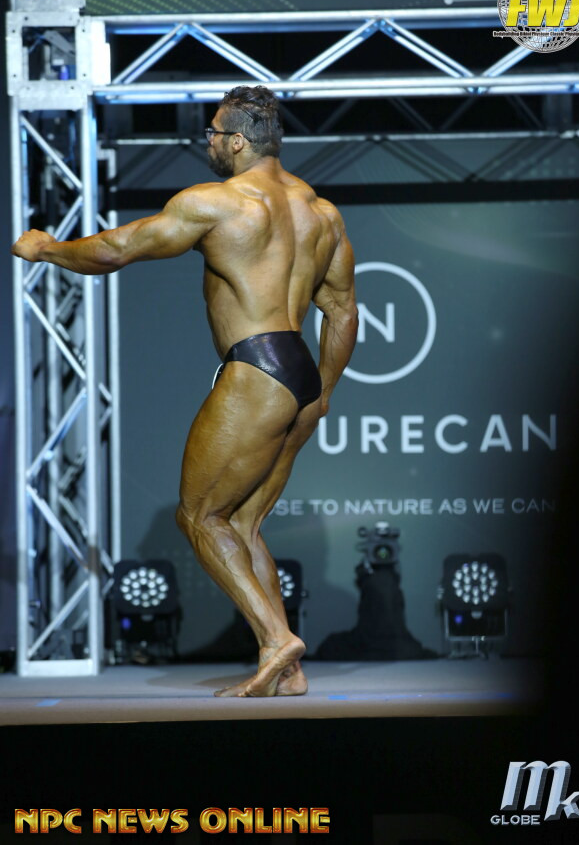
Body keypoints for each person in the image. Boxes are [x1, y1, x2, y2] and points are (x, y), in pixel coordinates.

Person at [11, 85, 358, 697]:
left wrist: (47, 250)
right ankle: (290, 670)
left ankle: (277, 641)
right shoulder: (321, 212)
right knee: (243, 523)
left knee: (199, 515)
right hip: (301, 372)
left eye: (214, 132)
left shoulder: (217, 203)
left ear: (239, 141)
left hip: (257, 366)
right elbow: (343, 311)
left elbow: (116, 250)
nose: (208, 141)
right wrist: (322, 395)